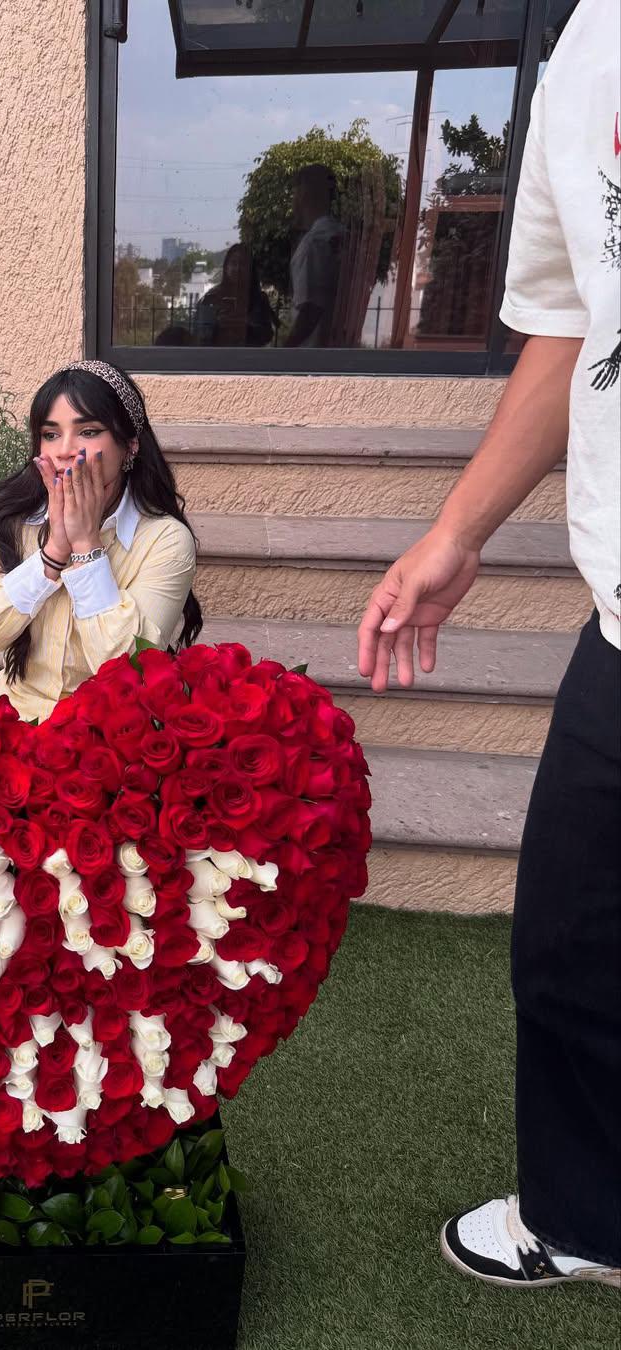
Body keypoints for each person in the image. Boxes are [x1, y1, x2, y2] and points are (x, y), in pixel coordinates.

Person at [357, 0, 620, 1290]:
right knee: (571, 938)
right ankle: (589, 1219)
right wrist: (456, 533)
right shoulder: (586, 51)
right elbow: (574, 326)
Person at [0, 359, 202, 724]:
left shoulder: (165, 541)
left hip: (106, 738)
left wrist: (86, 547)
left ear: (129, 446)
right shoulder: (8, 518)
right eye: (51, 434)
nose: (65, 449)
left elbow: (130, 667)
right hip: (12, 726)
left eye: (88, 431)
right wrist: (52, 554)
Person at [284, 164, 346, 348]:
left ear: (303, 194)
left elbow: (311, 310)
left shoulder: (315, 242)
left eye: (294, 193)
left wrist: (282, 355)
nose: (293, 200)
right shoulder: (337, 232)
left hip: (311, 359)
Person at [196, 242, 276, 347]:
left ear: (250, 269)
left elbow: (267, 335)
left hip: (249, 358)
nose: (238, 268)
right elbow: (200, 335)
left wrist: (246, 325)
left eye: (243, 264)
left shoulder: (259, 299)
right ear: (226, 267)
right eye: (234, 263)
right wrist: (218, 325)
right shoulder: (212, 296)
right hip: (217, 357)